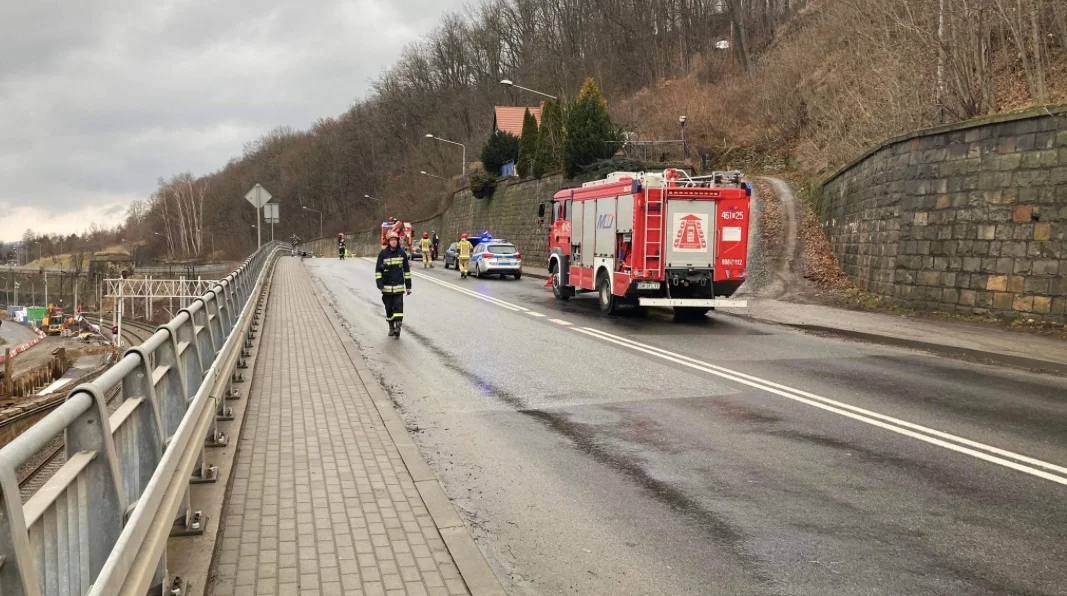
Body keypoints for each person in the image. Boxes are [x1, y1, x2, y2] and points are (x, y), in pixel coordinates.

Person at [375, 232, 412, 337]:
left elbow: (407, 271)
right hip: (386, 288)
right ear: (388, 241)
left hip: (399, 287)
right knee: (389, 308)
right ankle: (391, 326)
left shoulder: (402, 253)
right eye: (391, 240)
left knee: (398, 307)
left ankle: (398, 327)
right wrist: (379, 284)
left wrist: (408, 287)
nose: (394, 241)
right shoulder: (383, 254)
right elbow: (378, 271)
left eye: (395, 240)